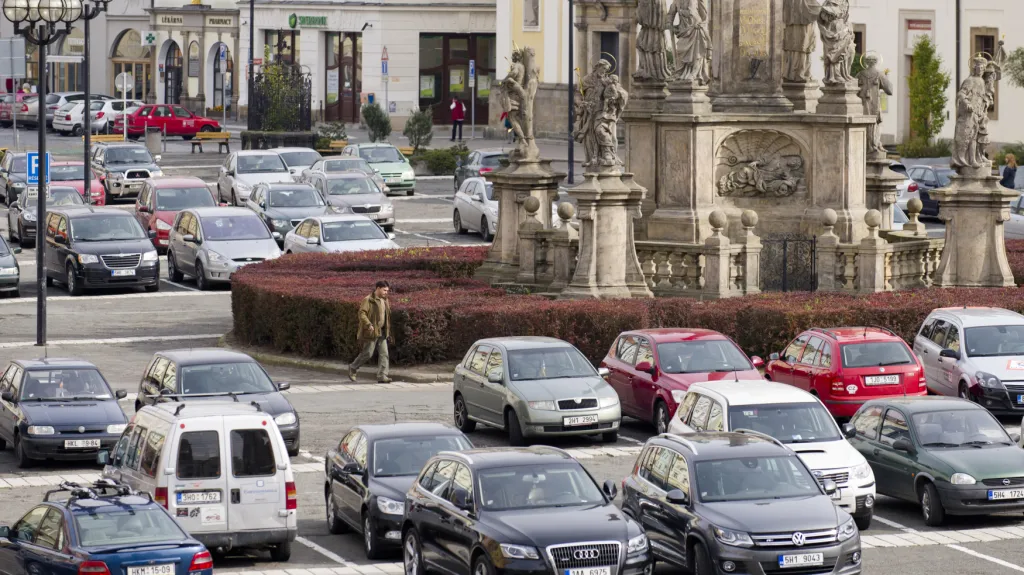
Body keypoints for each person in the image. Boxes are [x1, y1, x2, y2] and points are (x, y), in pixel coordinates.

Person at [349, 280, 393, 383]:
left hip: (382, 331)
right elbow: (362, 313)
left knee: (384, 354)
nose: (386, 292)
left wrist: (388, 331)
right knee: (368, 353)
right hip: (372, 331)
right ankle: (353, 367)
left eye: (387, 290)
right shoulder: (368, 300)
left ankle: (382, 375)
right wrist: (368, 324)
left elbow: (387, 316)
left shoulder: (385, 300)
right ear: (378, 288)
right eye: (384, 290)